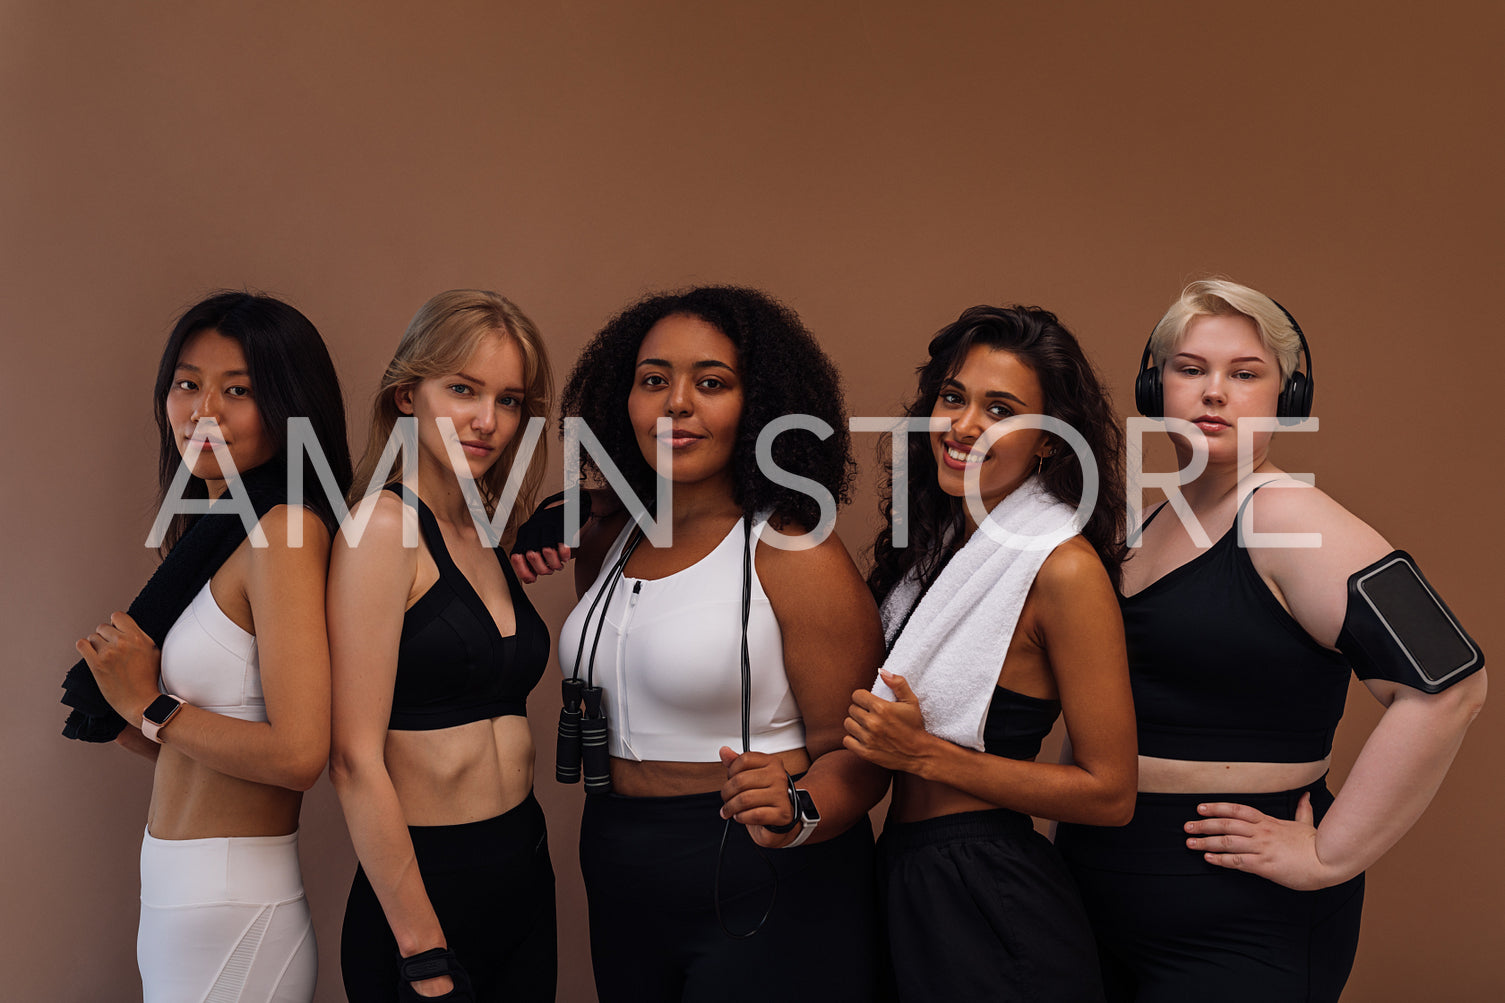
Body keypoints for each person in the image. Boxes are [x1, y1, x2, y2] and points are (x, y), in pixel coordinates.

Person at [1055, 278, 1488, 1002]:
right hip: (1093, 892)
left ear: (1286, 397)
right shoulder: (1141, 524)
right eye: (1190, 369)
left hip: (1238, 920)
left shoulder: (1294, 519)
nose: (1213, 392)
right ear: (1154, 384)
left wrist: (1329, 852)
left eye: (1244, 373)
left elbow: (1451, 683)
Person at [517, 285, 886, 1002]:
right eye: (654, 380)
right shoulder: (608, 535)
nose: (676, 403)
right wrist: (565, 502)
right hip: (619, 860)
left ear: (759, 405)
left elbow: (863, 753)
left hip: (759, 868)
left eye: (710, 383)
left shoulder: (792, 548)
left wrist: (797, 808)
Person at [63, 291, 351, 1002]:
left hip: (232, 900)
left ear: (289, 408)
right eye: (188, 383)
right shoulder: (212, 535)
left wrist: (147, 702)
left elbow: (298, 754)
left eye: (239, 390)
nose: (204, 410)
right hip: (179, 887)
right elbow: (199, 748)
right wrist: (133, 709)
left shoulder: (283, 531)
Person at [843, 305, 1137, 1002]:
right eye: (953, 396)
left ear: (1047, 441)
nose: (964, 424)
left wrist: (923, 754)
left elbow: (1110, 791)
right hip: (904, 870)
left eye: (999, 409)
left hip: (988, 887)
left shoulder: (1062, 568)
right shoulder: (941, 553)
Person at [328, 290, 557, 1002]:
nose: (487, 421)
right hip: (426, 895)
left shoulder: (486, 533)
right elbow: (353, 758)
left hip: (523, 873)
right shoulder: (381, 528)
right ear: (406, 394)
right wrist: (423, 950)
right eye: (462, 389)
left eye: (509, 399)